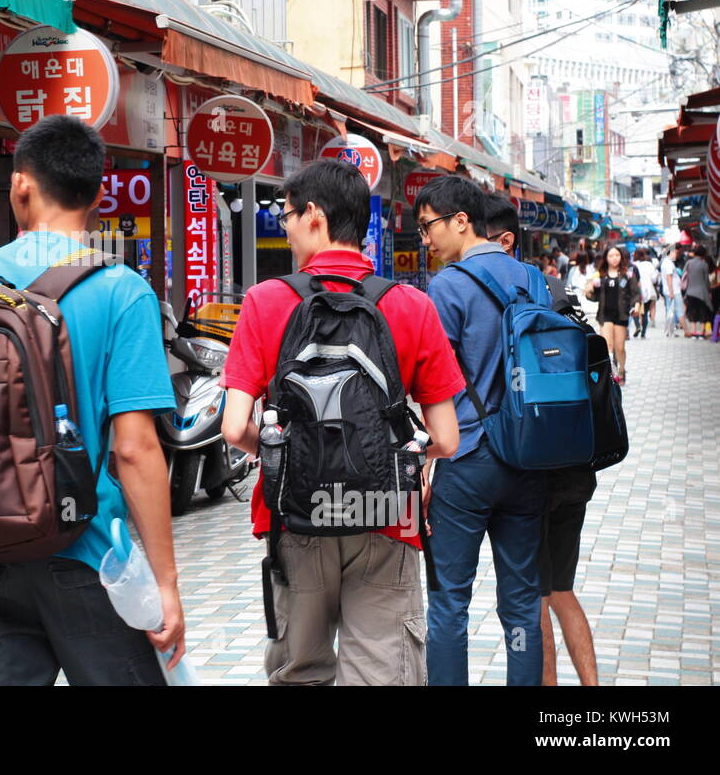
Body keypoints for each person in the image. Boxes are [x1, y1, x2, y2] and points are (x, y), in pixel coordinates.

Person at [0, 114, 183, 685]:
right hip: (90, 553)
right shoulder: (122, 289)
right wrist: (166, 583)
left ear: (20, 184)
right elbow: (134, 449)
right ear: (99, 193)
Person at [219, 159, 462, 686]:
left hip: (295, 515)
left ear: (312, 215)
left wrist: (288, 454)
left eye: (285, 215)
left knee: (300, 671)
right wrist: (408, 466)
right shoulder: (411, 305)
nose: (283, 227)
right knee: (382, 671)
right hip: (385, 516)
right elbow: (445, 438)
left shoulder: (264, 302)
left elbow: (235, 426)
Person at [415, 175, 548, 686]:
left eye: (428, 226)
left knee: (450, 600)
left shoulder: (447, 285)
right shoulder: (530, 278)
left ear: (461, 221)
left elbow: (433, 380)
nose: (425, 239)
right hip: (527, 454)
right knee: (521, 602)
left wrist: (428, 455)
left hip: (467, 458)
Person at [483, 198, 599, 687]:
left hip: (532, 471)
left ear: (505, 240)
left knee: (534, 597)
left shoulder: (501, 299)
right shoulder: (557, 291)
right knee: (561, 589)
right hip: (575, 464)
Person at [585, 246, 633, 383]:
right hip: (605, 315)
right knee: (608, 345)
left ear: (621, 257)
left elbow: (635, 293)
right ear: (606, 258)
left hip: (621, 315)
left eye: (617, 255)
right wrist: (589, 292)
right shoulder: (600, 275)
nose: (614, 258)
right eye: (611, 255)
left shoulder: (627, 274)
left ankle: (622, 370)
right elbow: (595, 297)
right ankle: (613, 372)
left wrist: (636, 305)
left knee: (620, 347)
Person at [682, 244, 712, 338]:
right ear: (703, 254)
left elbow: (684, 275)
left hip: (690, 292)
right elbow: (706, 280)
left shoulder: (689, 263)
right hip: (702, 293)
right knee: (702, 312)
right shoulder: (704, 264)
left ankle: (694, 332)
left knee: (692, 312)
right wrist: (709, 291)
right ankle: (701, 332)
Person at [632, 247, 657, 339]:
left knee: (634, 310)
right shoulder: (649, 265)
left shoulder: (633, 265)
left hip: (636, 291)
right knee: (645, 313)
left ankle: (638, 325)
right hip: (648, 291)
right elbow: (654, 278)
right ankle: (643, 334)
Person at [566, 250, 597, 320]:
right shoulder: (590, 269)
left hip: (579, 297)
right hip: (584, 297)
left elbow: (568, 284)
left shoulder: (574, 270)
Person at [660, 243, 681, 337]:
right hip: (670, 291)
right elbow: (669, 278)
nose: (676, 254)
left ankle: (669, 331)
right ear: (671, 252)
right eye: (675, 252)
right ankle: (669, 331)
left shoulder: (666, 262)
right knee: (670, 311)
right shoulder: (668, 263)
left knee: (670, 310)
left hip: (668, 291)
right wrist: (671, 292)